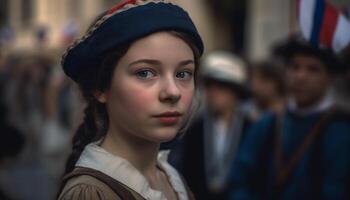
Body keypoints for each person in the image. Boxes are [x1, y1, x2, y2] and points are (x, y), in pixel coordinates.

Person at [57, 0, 204, 200]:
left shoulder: (172, 178)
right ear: (100, 87)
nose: (173, 92)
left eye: (183, 74)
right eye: (145, 73)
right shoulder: (92, 194)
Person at [230, 36, 350, 199]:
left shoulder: (340, 129)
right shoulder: (269, 122)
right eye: (294, 67)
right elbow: (240, 178)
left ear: (330, 78)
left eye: (313, 69)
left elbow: (336, 189)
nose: (300, 76)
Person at [168, 51, 251, 200]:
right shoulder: (194, 129)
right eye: (209, 86)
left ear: (235, 92)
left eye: (221, 87)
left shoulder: (250, 129)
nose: (212, 93)